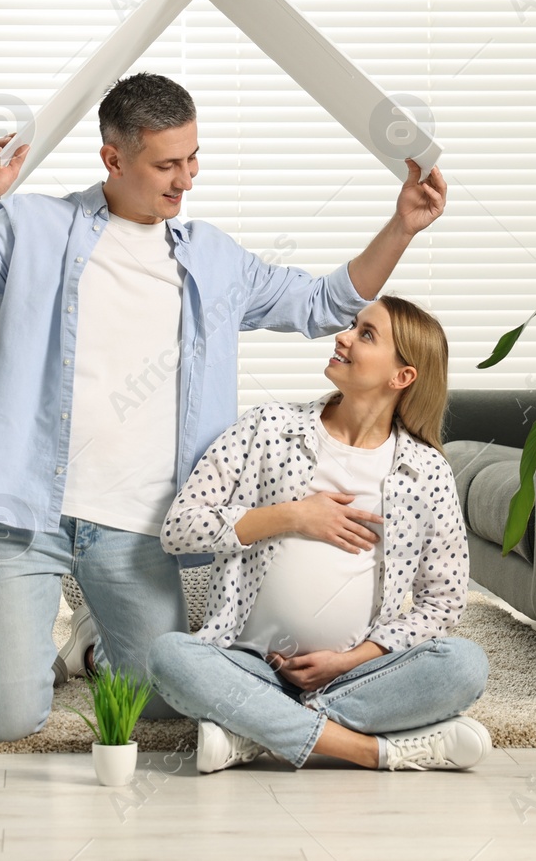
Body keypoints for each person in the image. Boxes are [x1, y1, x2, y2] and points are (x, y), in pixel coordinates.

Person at [0, 73, 448, 741]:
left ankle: (94, 640)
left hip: (135, 531)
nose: (185, 179)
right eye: (167, 164)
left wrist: (402, 225)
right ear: (114, 159)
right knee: (11, 720)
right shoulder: (32, 225)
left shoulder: (213, 260)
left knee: (164, 709)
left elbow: (321, 303)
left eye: (193, 159)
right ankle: (30, 650)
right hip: (22, 516)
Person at [149, 295, 491, 772]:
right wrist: (292, 516)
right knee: (170, 657)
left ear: (402, 376)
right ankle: (367, 750)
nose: (343, 336)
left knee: (465, 666)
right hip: (251, 665)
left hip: (354, 677)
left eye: (366, 334)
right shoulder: (267, 429)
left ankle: (257, 732)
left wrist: (348, 661)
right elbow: (179, 529)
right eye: (353, 324)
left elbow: (444, 600)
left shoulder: (426, 471)